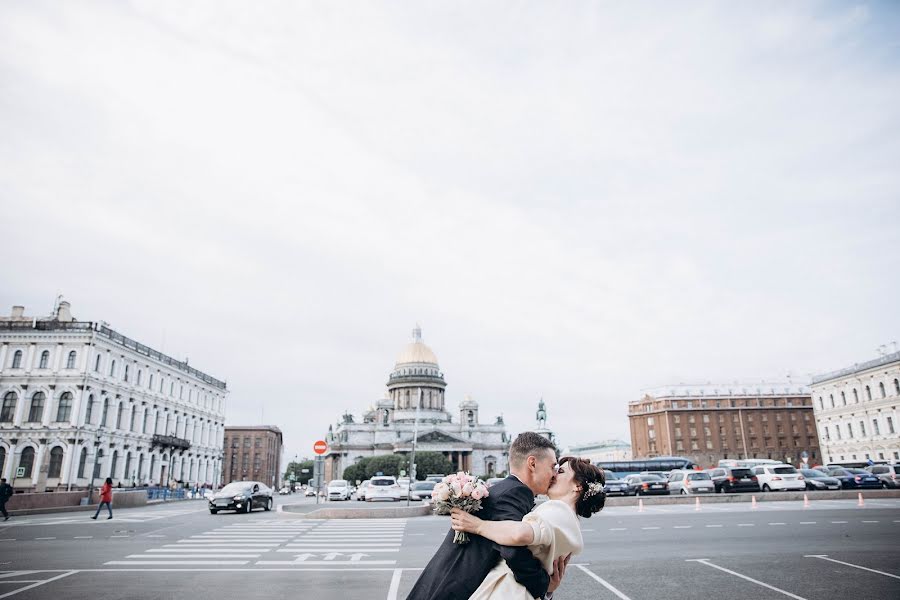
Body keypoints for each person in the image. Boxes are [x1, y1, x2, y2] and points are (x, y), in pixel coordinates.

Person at [406, 432, 562, 600]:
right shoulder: (516, 492)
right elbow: (513, 550)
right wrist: (544, 584)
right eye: (552, 466)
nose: (555, 474)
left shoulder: (504, 489)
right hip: (453, 591)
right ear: (532, 463)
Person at [450, 456, 606, 599]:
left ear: (578, 486)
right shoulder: (571, 522)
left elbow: (520, 534)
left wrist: (477, 525)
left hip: (505, 591)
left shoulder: (558, 509)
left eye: (561, 471)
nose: (553, 475)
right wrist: (547, 589)